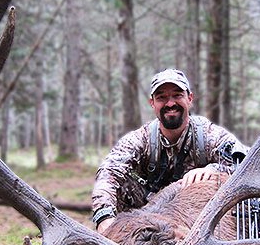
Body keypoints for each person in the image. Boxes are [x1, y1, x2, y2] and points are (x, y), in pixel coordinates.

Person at [91, 69, 247, 233]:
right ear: (152, 103)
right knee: (121, 181)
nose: (170, 103)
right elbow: (108, 173)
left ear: (190, 98)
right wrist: (104, 218)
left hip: (196, 221)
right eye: (162, 98)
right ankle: (122, 239)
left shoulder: (210, 135)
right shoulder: (139, 139)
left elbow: (246, 163)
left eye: (177, 95)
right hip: (145, 221)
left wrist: (213, 170)